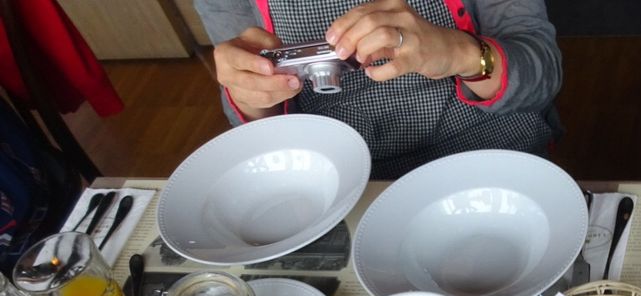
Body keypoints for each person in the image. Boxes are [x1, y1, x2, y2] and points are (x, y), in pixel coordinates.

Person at [195, 0, 562, 178]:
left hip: (492, 152)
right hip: (333, 178)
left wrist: (459, 52)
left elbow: (543, 75)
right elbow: (253, 124)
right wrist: (252, 94)